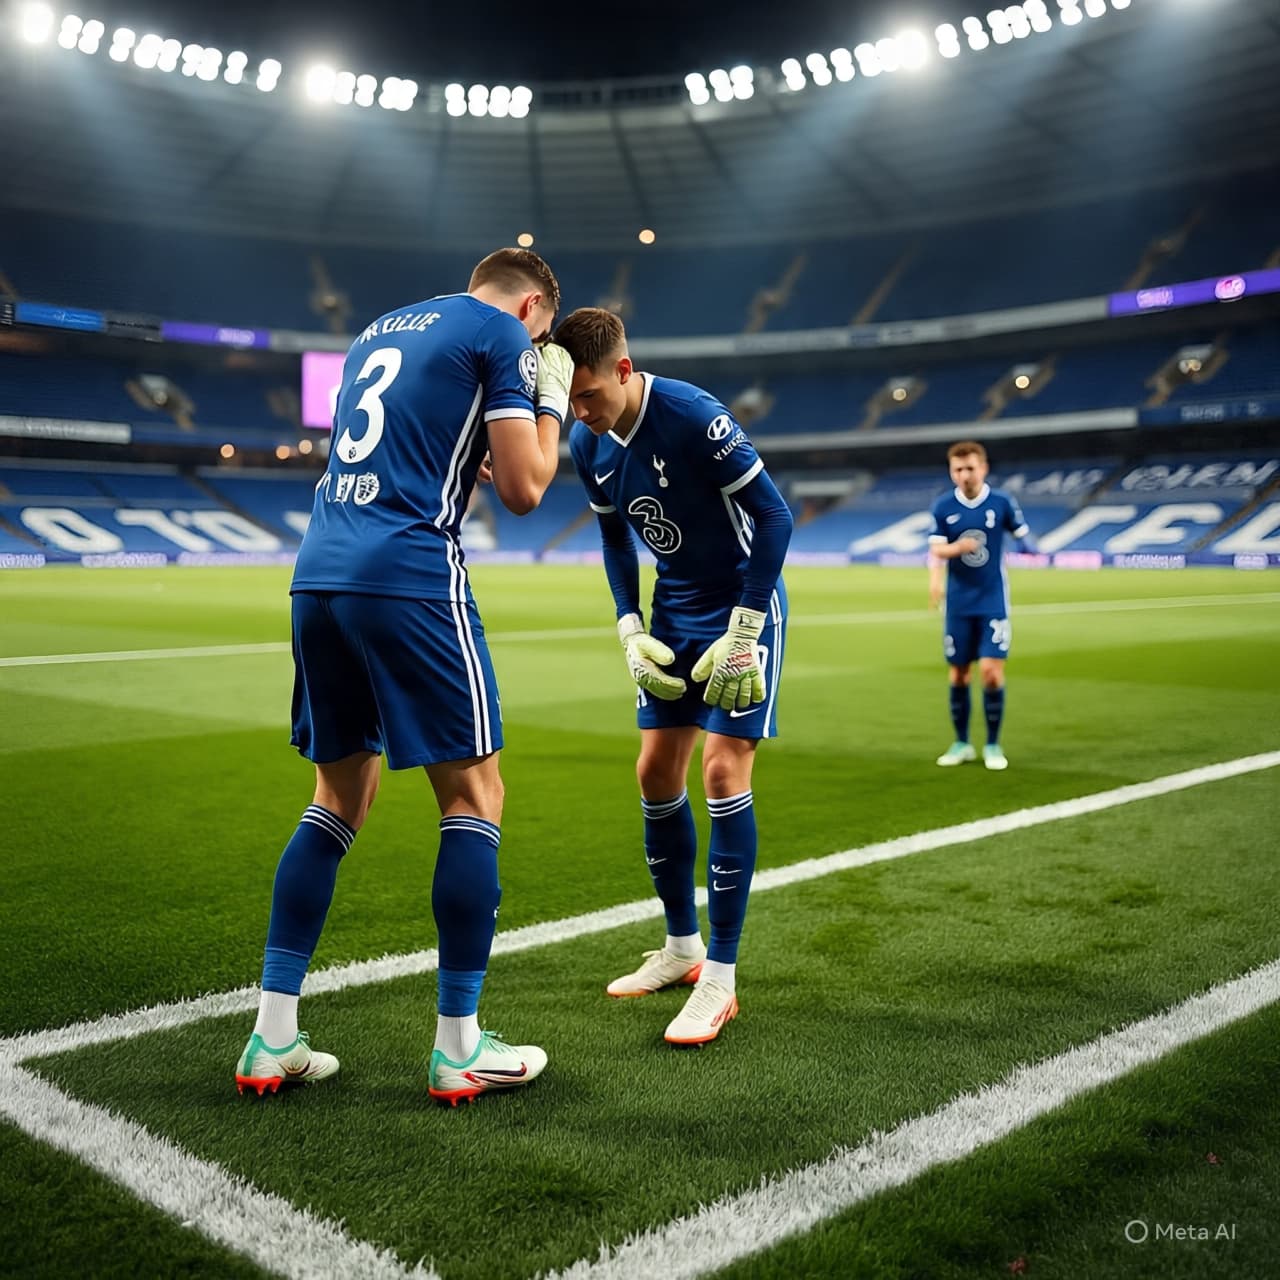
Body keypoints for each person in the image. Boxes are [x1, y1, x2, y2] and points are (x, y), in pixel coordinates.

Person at [235, 248, 574, 1105]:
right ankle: (460, 1047)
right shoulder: (506, 336)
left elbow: (436, 444)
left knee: (337, 797)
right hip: (409, 573)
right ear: (533, 307)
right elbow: (529, 487)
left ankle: (272, 1036)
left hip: (318, 571)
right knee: (474, 795)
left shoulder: (378, 330)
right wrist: (552, 399)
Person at [554, 307, 793, 1047]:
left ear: (623, 370)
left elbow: (776, 517)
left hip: (742, 607)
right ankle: (682, 947)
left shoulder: (691, 415)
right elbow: (613, 536)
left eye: (589, 395)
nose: (581, 413)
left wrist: (746, 629)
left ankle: (719, 979)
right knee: (656, 773)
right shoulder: (586, 441)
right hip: (673, 611)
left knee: (724, 771)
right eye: (570, 401)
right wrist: (629, 624)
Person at [928, 440, 1032, 772]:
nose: (964, 475)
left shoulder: (1001, 502)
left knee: (990, 673)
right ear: (951, 471)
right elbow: (937, 551)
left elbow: (1022, 535)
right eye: (958, 469)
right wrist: (941, 573)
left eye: (970, 468)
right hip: (958, 603)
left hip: (992, 601)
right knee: (959, 673)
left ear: (983, 468)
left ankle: (992, 743)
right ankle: (961, 743)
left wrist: (1035, 549)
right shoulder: (943, 506)